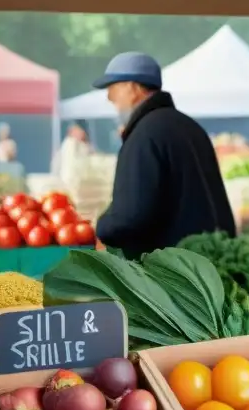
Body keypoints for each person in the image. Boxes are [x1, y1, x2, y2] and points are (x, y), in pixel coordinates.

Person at [92, 52, 235, 259]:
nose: (109, 98)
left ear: (132, 88)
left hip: (171, 273)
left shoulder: (144, 134)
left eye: (113, 89)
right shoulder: (190, 127)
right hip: (207, 263)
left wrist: (102, 227)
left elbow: (130, 216)